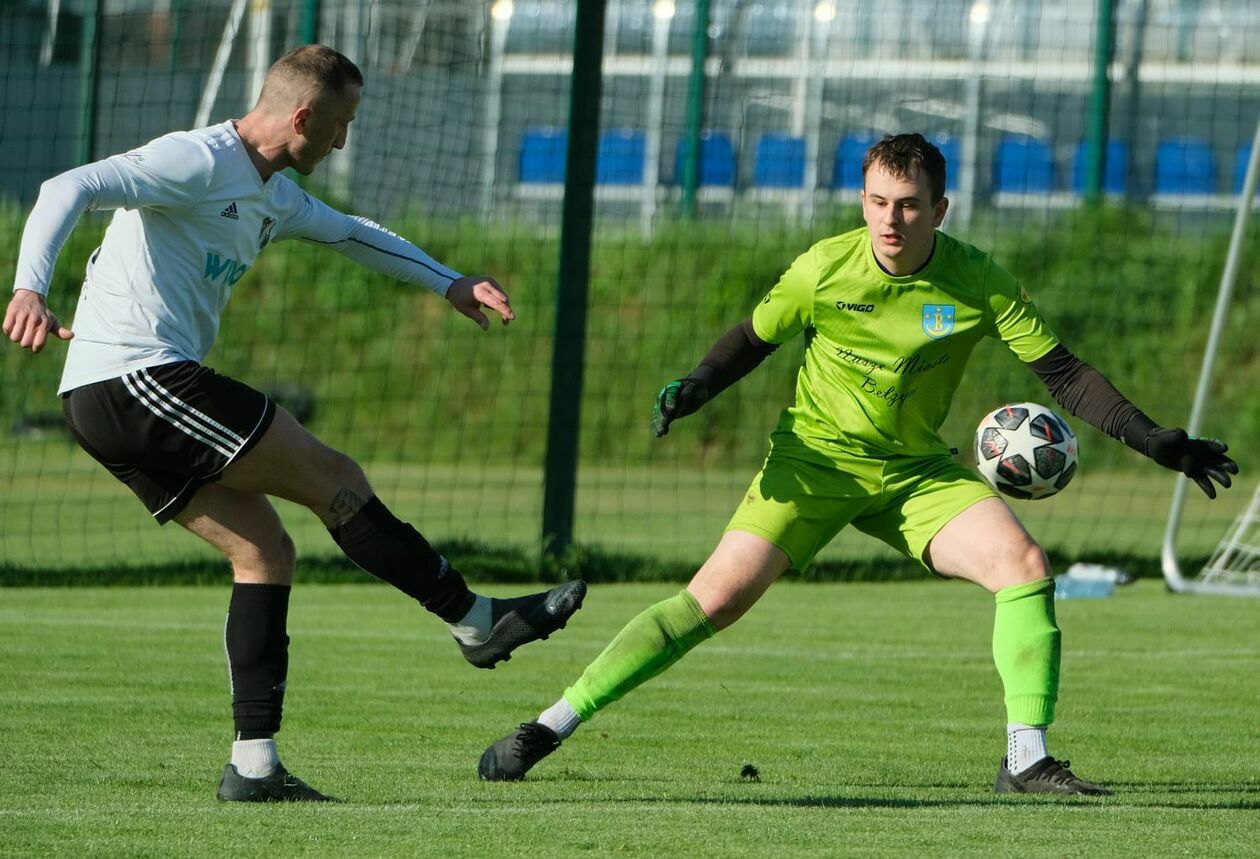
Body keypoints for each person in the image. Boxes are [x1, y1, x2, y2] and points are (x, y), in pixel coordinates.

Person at [477, 133, 1238, 795]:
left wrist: (1154, 439)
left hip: (914, 476)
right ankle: (548, 725)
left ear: (940, 209)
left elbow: (1065, 375)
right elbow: (754, 335)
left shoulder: (979, 281)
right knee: (710, 602)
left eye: (907, 204)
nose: (889, 220)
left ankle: (1027, 758)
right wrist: (698, 385)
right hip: (813, 465)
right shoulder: (825, 267)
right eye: (876, 201)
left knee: (1024, 564)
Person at [4, 44, 586, 803]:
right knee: (334, 478)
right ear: (303, 115)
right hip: (134, 377)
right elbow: (71, 184)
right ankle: (475, 620)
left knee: (265, 550)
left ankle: (253, 766)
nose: (343, 141)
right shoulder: (198, 159)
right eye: (340, 124)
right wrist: (29, 286)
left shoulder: (272, 192)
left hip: (112, 395)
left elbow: (353, 233)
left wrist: (449, 281)